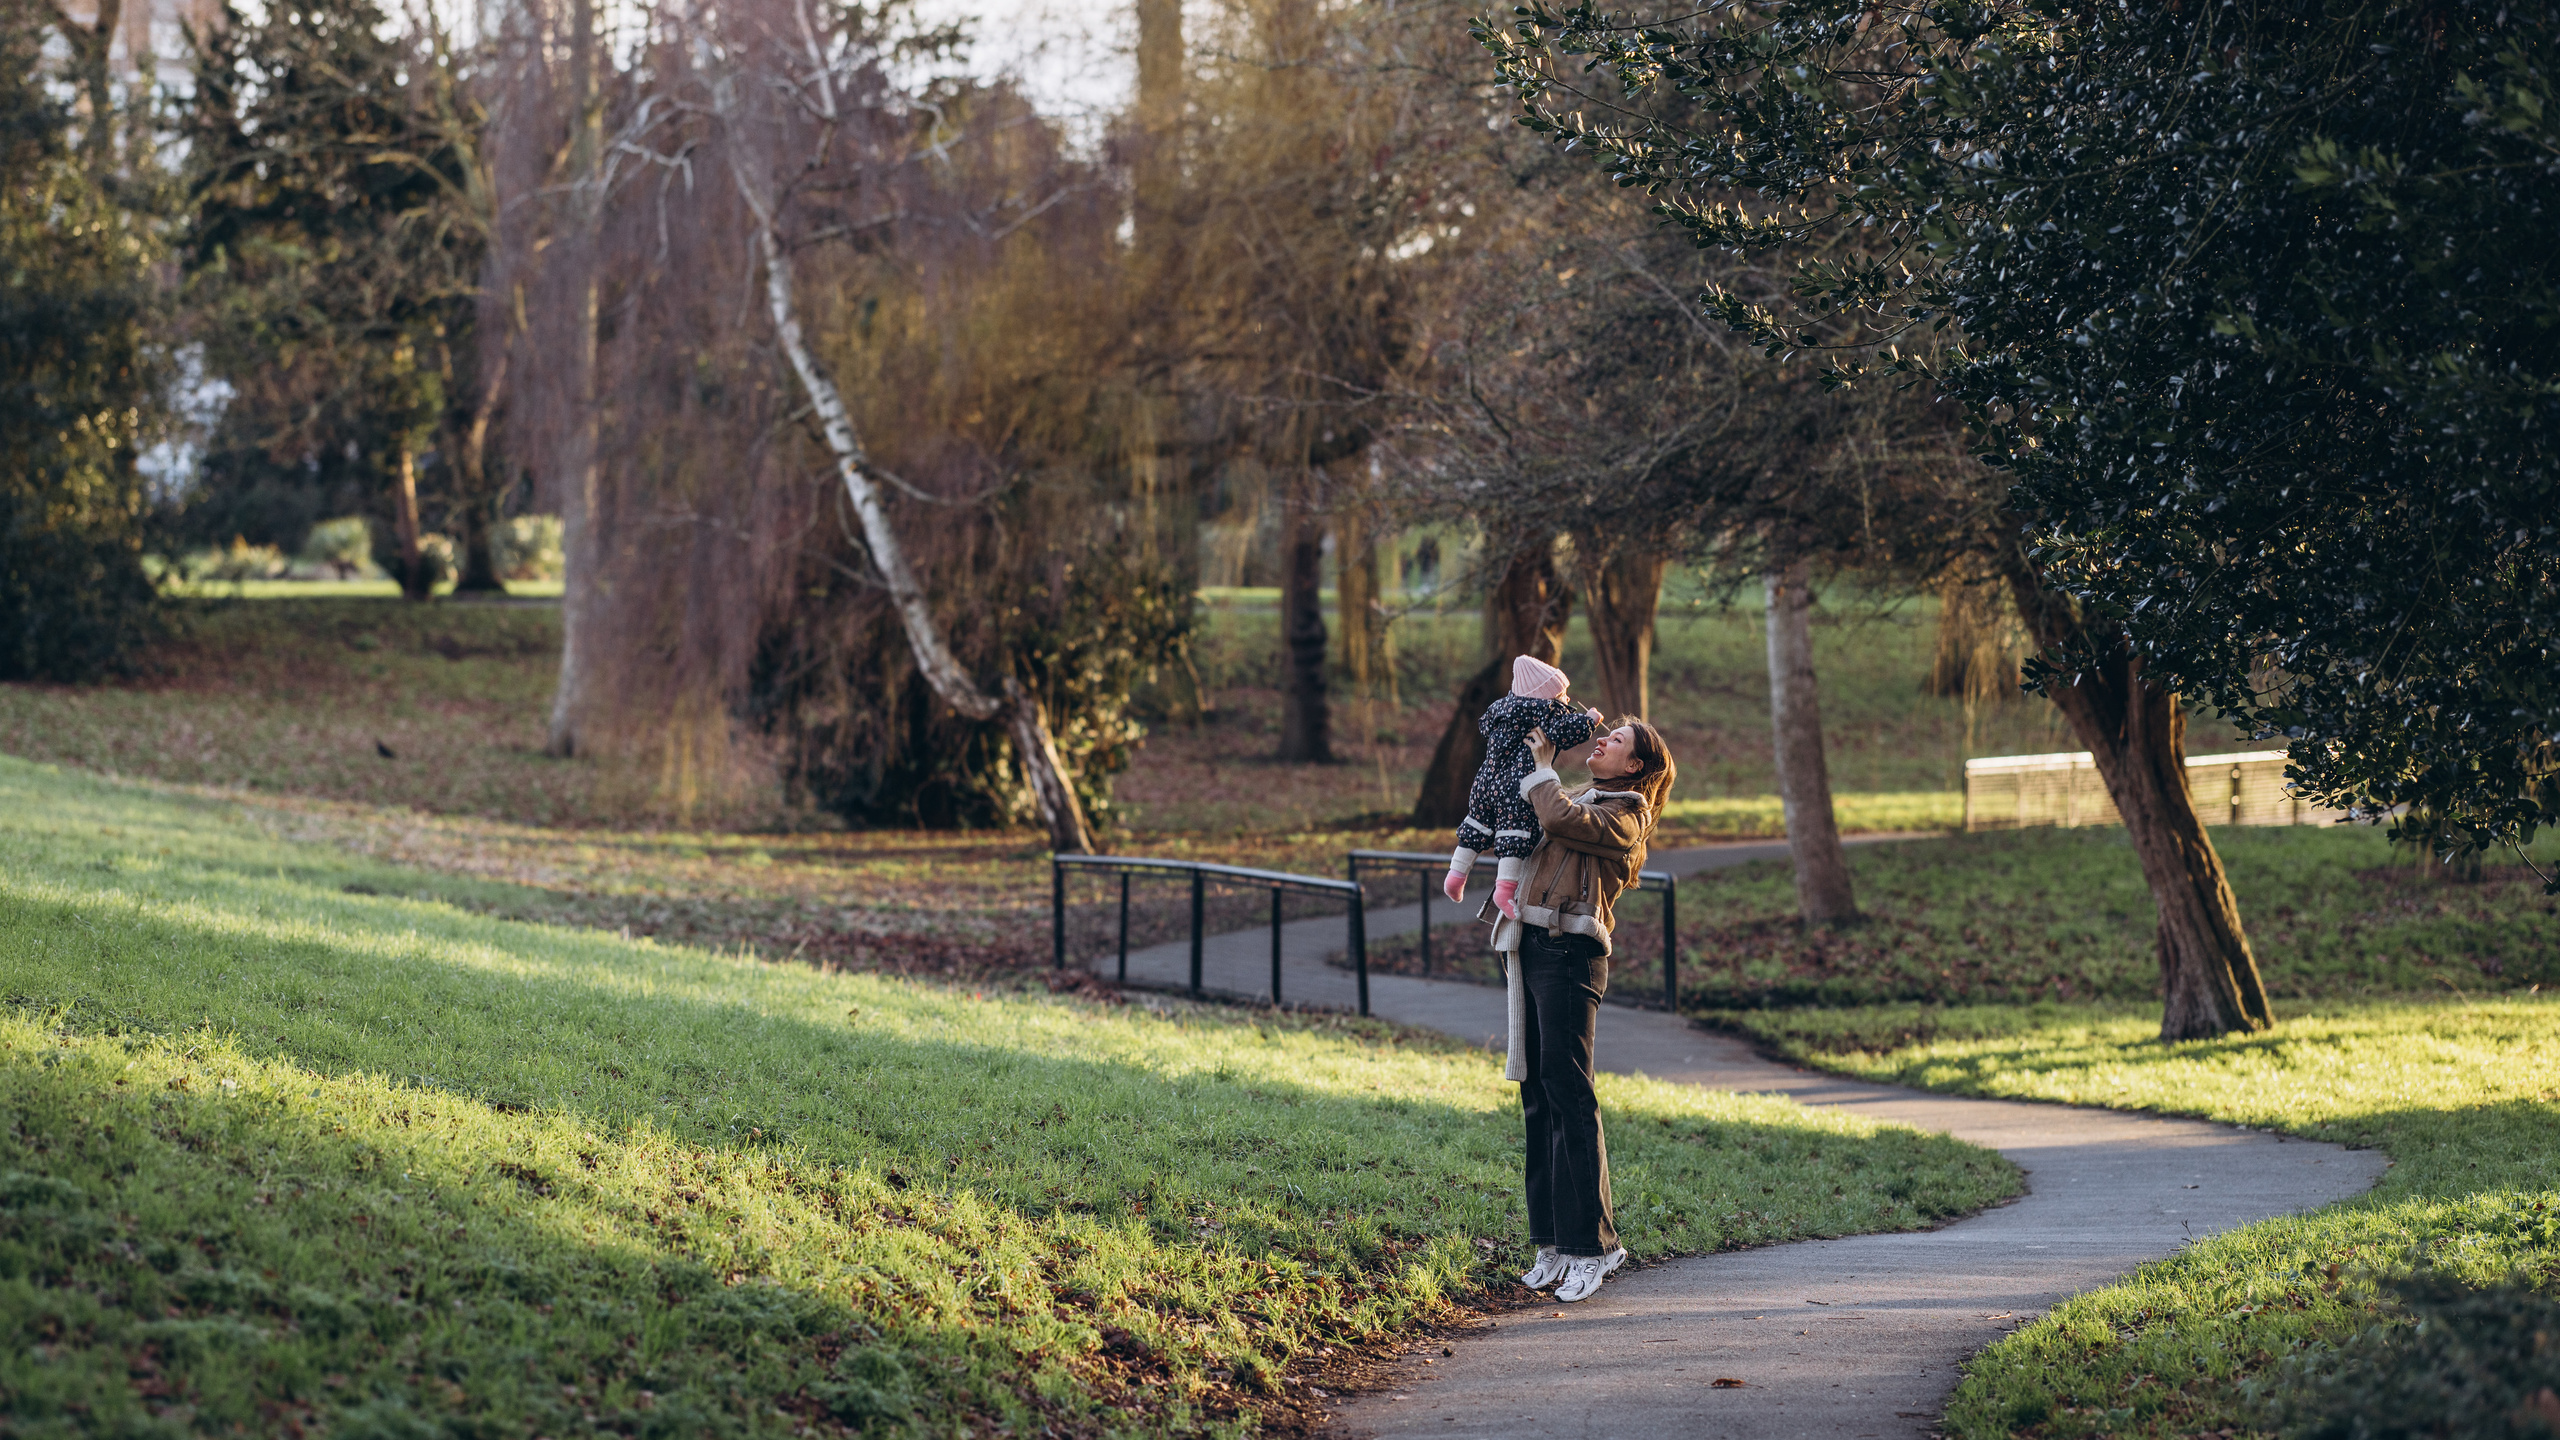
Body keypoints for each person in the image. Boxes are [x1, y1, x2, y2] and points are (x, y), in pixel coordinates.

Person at [1489, 717, 1677, 1303]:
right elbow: (1533, 818)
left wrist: (1544, 767)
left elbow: (1556, 820)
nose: (1603, 741)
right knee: (1539, 1096)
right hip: (1534, 944)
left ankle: (1594, 1246)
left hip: (1571, 952)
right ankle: (1551, 1243)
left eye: (1617, 741)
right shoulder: (1580, 796)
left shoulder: (1623, 817)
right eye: (1607, 734)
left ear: (1635, 767)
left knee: (1570, 1095)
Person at [1443, 656, 1602, 919]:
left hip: (1486, 780)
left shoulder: (1500, 707)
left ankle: (1455, 876)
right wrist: (1590, 720)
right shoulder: (1546, 712)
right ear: (1544, 695)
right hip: (1516, 788)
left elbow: (1484, 726)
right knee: (1513, 835)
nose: (1566, 698)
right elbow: (1567, 731)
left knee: (1476, 825)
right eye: (1562, 693)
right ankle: (1504, 890)